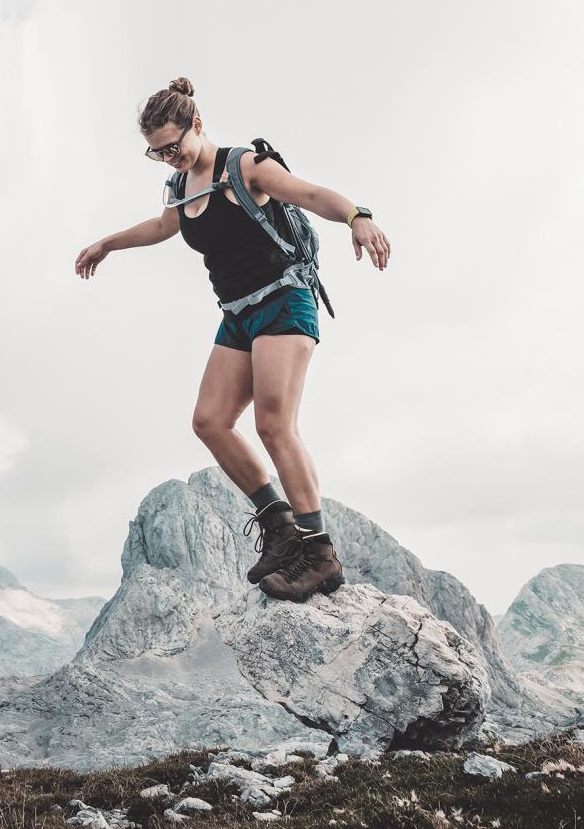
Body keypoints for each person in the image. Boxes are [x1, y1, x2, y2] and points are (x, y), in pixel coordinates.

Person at [73, 77, 391, 602]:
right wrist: (108, 243)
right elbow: (161, 227)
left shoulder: (245, 167)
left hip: (284, 300)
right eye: (157, 153)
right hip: (238, 314)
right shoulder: (178, 187)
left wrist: (359, 217)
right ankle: (281, 527)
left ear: (197, 125)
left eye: (174, 145)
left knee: (273, 423)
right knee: (210, 422)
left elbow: (309, 194)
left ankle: (319, 553)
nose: (169, 157)